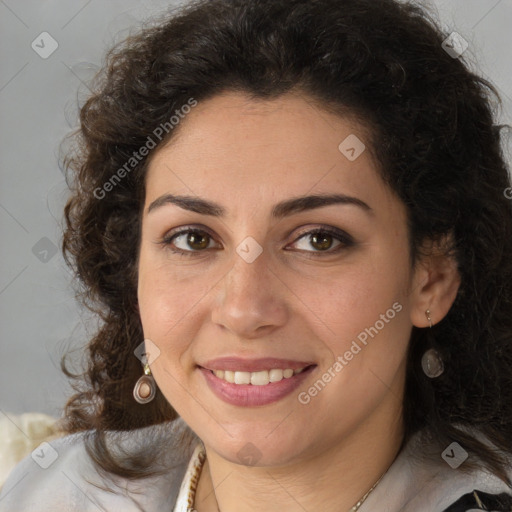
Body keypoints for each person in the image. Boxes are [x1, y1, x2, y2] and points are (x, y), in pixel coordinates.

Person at [1, 0, 512, 510]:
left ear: (433, 278)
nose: (244, 310)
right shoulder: (50, 490)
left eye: (319, 239)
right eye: (194, 239)